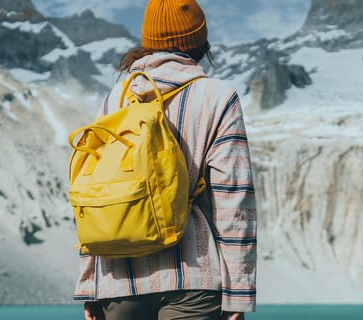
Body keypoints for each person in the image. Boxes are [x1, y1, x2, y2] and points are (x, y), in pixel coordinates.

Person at [75, 1, 257, 319]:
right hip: (195, 277)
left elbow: (92, 195)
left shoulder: (116, 98)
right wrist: (238, 297)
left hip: (119, 279)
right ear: (200, 41)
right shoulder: (218, 97)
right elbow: (233, 203)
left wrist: (90, 287)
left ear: (147, 40)